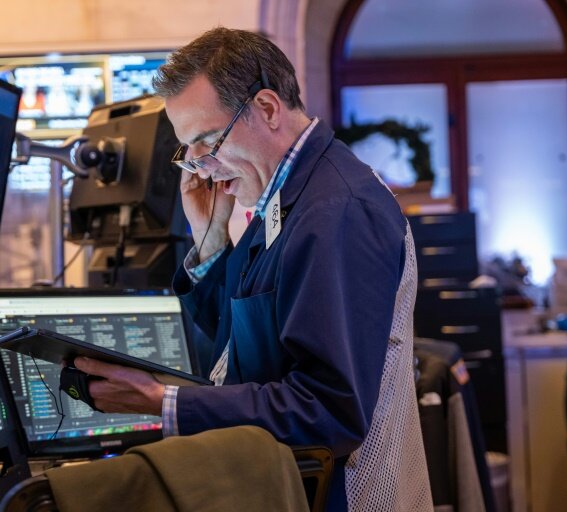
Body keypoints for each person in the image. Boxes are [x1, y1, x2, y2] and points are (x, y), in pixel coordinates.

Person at [74, 27, 432, 510]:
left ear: (266, 108)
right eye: (189, 151)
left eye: (207, 141)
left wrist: (163, 401)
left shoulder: (336, 211)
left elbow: (328, 411)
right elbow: (232, 345)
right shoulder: (284, 199)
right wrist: (213, 242)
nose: (200, 168)